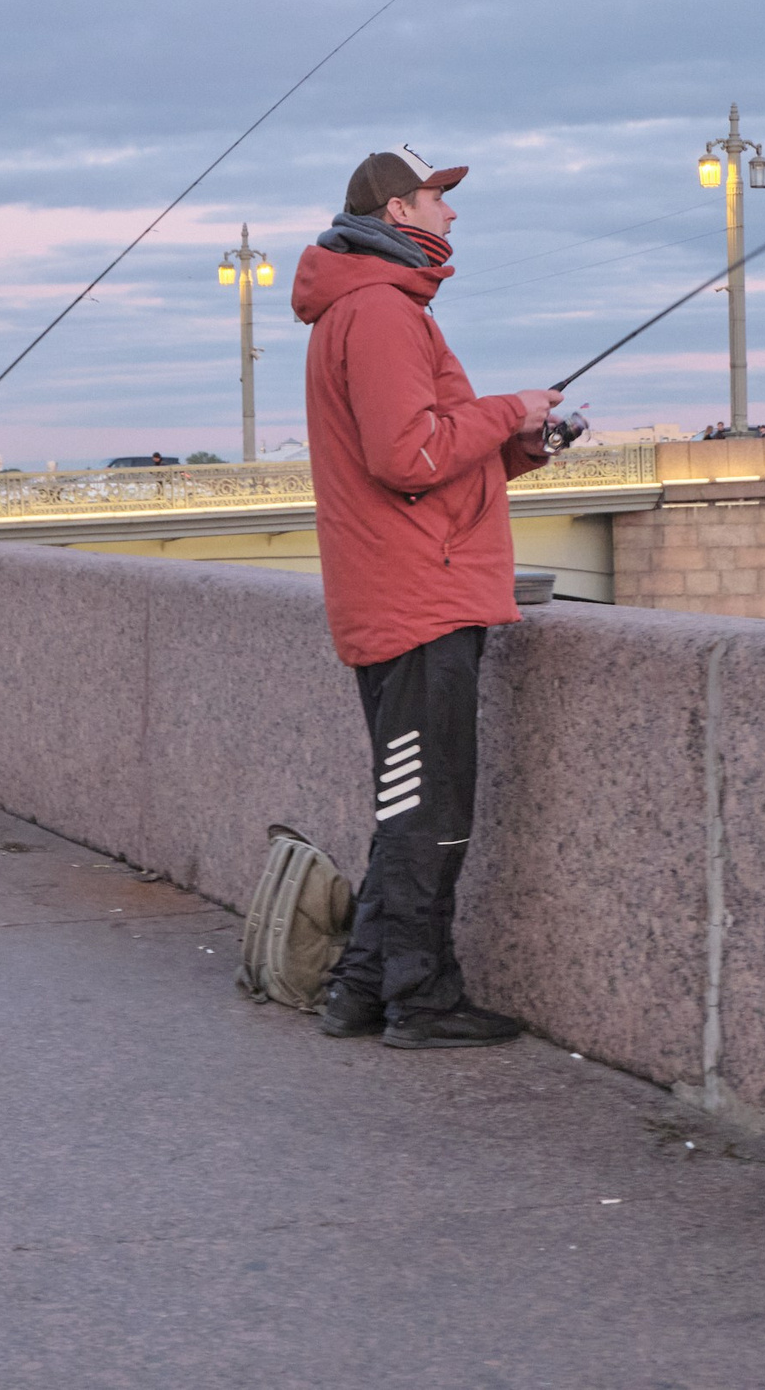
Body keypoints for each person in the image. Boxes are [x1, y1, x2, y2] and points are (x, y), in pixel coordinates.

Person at [291, 144, 559, 1051]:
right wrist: (510, 407)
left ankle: (363, 986)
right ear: (398, 214)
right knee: (429, 811)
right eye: (438, 201)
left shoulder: (376, 307)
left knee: (414, 802)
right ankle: (423, 996)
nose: (452, 215)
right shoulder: (379, 310)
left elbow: (432, 457)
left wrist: (523, 442)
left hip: (414, 587)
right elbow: (406, 457)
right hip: (416, 600)